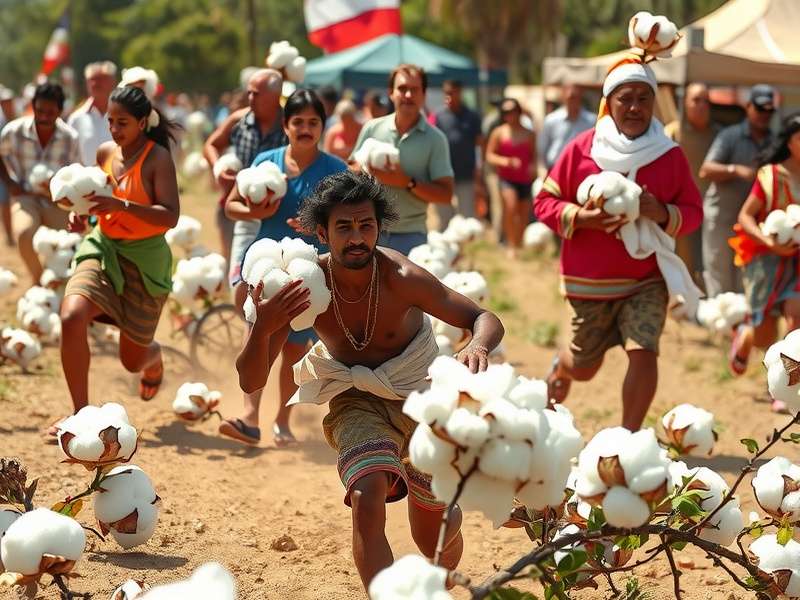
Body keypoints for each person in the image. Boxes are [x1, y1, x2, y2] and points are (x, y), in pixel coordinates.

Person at [236, 169, 504, 590]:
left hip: (423, 398)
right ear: (322, 234)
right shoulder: (303, 288)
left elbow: (484, 318)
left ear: (379, 229)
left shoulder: (402, 277)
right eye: (344, 227)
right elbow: (250, 381)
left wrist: (477, 346)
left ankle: (444, 565)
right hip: (356, 400)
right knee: (365, 496)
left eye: (367, 226)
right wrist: (264, 325)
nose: (357, 237)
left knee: (433, 535)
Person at [535, 52, 702, 432]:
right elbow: (544, 202)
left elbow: (692, 211)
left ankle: (627, 438)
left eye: (643, 98)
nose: (634, 107)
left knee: (644, 352)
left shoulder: (669, 155)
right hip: (589, 282)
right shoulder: (582, 149)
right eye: (625, 97)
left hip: (646, 278)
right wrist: (584, 218)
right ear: (608, 103)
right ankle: (561, 365)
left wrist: (659, 210)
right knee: (583, 368)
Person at [220, 89, 347, 446]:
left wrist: (318, 229)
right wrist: (254, 213)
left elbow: (348, 218)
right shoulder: (266, 160)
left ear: (323, 126)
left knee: (294, 349)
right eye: (298, 122)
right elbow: (231, 205)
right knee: (257, 334)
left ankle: (282, 419)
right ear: (285, 126)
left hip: (311, 271)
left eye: (313, 122)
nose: (305, 128)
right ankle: (249, 417)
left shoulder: (336, 171)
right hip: (266, 267)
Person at [58, 85, 180, 420]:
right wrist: (81, 213)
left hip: (146, 263)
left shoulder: (157, 158)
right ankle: (80, 415)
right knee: (71, 316)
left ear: (142, 122)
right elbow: (93, 198)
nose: (113, 129)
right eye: (110, 121)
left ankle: (153, 359)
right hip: (102, 247)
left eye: (122, 122)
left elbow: (170, 216)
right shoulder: (104, 153)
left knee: (132, 361)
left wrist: (121, 206)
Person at [727, 114, 800, 409]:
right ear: (790, 141)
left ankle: (786, 385)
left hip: (798, 264)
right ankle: (745, 337)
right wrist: (769, 241)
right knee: (763, 334)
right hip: (765, 262)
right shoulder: (770, 175)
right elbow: (745, 215)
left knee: (796, 318)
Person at [350, 64, 454, 255]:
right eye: (402, 88)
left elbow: (445, 195)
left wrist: (407, 182)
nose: (408, 95)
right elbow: (350, 171)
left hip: (412, 235)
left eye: (414, 89)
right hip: (368, 233)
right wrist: (368, 170)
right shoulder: (372, 129)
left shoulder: (436, 139)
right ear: (391, 93)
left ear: (423, 95)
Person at [204, 69, 286, 267]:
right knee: (237, 267)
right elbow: (211, 145)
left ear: (275, 97)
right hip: (237, 205)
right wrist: (218, 169)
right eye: (249, 92)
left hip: (277, 210)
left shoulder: (290, 125)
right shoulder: (238, 121)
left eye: (256, 93)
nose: (250, 98)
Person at [700, 84, 776, 297]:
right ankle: (721, 327)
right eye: (760, 109)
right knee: (719, 275)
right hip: (722, 217)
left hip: (753, 224)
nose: (764, 115)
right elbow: (706, 170)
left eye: (769, 111)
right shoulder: (730, 136)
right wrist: (736, 170)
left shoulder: (774, 142)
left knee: (748, 278)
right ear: (749, 107)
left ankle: (743, 328)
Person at [0, 82, 79, 284]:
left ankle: (59, 282)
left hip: (57, 201)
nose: (44, 116)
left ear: (61, 111)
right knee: (25, 235)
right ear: (33, 106)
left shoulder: (70, 138)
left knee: (69, 244)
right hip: (25, 197)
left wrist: (58, 184)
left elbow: (76, 173)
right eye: (39, 110)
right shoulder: (13, 131)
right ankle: (39, 281)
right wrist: (10, 183)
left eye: (50, 112)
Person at [664, 83, 718, 285]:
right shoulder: (672, 134)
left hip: (712, 210)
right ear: (685, 103)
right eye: (696, 100)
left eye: (706, 101)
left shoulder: (718, 135)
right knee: (683, 260)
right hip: (683, 209)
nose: (702, 106)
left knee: (710, 262)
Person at [428, 79, 483, 229]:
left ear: (460, 93)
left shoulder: (472, 116)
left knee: (466, 218)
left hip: (466, 173)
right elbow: (430, 143)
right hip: (442, 175)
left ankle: (464, 250)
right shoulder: (437, 116)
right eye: (447, 93)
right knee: (444, 217)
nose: (450, 97)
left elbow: (479, 145)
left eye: (453, 93)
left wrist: (478, 170)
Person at [486, 98, 537, 258]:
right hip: (506, 178)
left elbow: (534, 155)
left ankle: (518, 241)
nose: (510, 115)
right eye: (506, 112)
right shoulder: (498, 132)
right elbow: (489, 155)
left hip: (524, 179)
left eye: (513, 111)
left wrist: (533, 167)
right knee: (510, 206)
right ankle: (511, 244)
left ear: (519, 112)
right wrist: (505, 161)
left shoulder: (529, 134)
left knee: (523, 213)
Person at [67, 61, 117, 166]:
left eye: (101, 79)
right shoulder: (76, 118)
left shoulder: (125, 116)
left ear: (113, 82)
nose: (95, 84)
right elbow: (70, 157)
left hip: (119, 180)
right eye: (91, 80)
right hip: (85, 181)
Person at [538, 84, 594, 172]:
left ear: (580, 97)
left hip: (581, 170)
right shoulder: (551, 120)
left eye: (575, 97)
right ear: (563, 98)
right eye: (570, 98)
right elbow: (542, 147)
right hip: (555, 169)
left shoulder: (591, 121)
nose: (572, 101)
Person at [0, 84, 15, 246]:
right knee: (4, 201)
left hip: (11, 165)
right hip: (3, 167)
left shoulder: (11, 119)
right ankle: (9, 235)